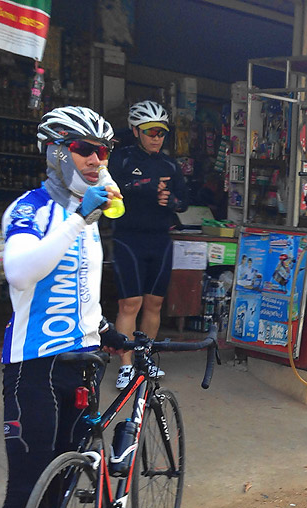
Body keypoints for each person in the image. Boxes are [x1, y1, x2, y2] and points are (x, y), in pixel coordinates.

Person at [0, 106, 126, 508]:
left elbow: (83, 292)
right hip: (33, 369)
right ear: (55, 152)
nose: (96, 159)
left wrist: (107, 333)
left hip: (80, 366)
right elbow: (20, 272)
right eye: (84, 149)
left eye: (104, 151)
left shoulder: (88, 215)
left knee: (61, 485)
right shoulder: (32, 209)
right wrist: (77, 218)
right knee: (27, 489)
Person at [108, 100, 189, 389]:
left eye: (161, 132)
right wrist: (141, 187)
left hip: (160, 240)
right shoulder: (122, 158)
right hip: (128, 238)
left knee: (155, 303)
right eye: (150, 131)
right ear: (135, 131)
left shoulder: (170, 165)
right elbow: (109, 190)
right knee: (130, 303)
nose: (156, 137)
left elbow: (184, 201)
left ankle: (145, 358)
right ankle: (126, 365)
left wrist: (172, 200)